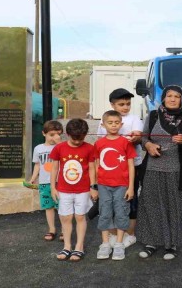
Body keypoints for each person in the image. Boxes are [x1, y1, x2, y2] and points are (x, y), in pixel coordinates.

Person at [137, 85, 182, 260]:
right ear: (163, 98)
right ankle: (151, 242)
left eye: (176, 96)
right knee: (151, 204)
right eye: (169, 95)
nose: (172, 99)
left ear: (181, 99)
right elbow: (144, 137)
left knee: (174, 206)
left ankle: (171, 245)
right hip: (152, 168)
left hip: (176, 169)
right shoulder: (154, 115)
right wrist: (148, 145)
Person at [96, 88, 144, 248]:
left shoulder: (135, 118)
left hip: (131, 167)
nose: (125, 107)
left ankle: (130, 234)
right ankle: (114, 233)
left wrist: (135, 137)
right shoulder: (103, 121)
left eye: (128, 104)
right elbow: (100, 143)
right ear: (112, 104)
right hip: (109, 170)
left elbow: (137, 136)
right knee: (109, 203)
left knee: (130, 200)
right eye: (121, 104)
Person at [49, 118, 96, 262]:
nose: (77, 141)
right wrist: (53, 187)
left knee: (80, 217)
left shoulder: (89, 148)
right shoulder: (59, 148)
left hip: (83, 190)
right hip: (63, 189)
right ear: (68, 134)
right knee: (65, 217)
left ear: (85, 134)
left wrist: (93, 187)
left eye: (80, 138)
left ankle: (79, 246)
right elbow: (54, 168)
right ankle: (67, 246)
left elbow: (93, 169)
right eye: (74, 138)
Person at [94, 110, 137, 261]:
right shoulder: (99, 143)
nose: (113, 126)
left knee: (121, 212)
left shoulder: (125, 142)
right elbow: (96, 165)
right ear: (103, 124)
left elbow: (131, 165)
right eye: (110, 123)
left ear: (121, 124)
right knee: (105, 212)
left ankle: (119, 244)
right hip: (104, 185)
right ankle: (105, 243)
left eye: (116, 123)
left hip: (122, 185)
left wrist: (131, 187)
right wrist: (94, 186)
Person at [25, 120, 63, 242]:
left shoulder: (61, 147)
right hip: (44, 182)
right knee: (48, 206)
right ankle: (52, 229)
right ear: (44, 134)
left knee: (61, 206)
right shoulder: (38, 148)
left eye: (58, 134)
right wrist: (33, 178)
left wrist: (60, 144)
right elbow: (37, 165)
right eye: (51, 135)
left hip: (59, 182)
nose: (54, 138)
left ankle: (64, 230)